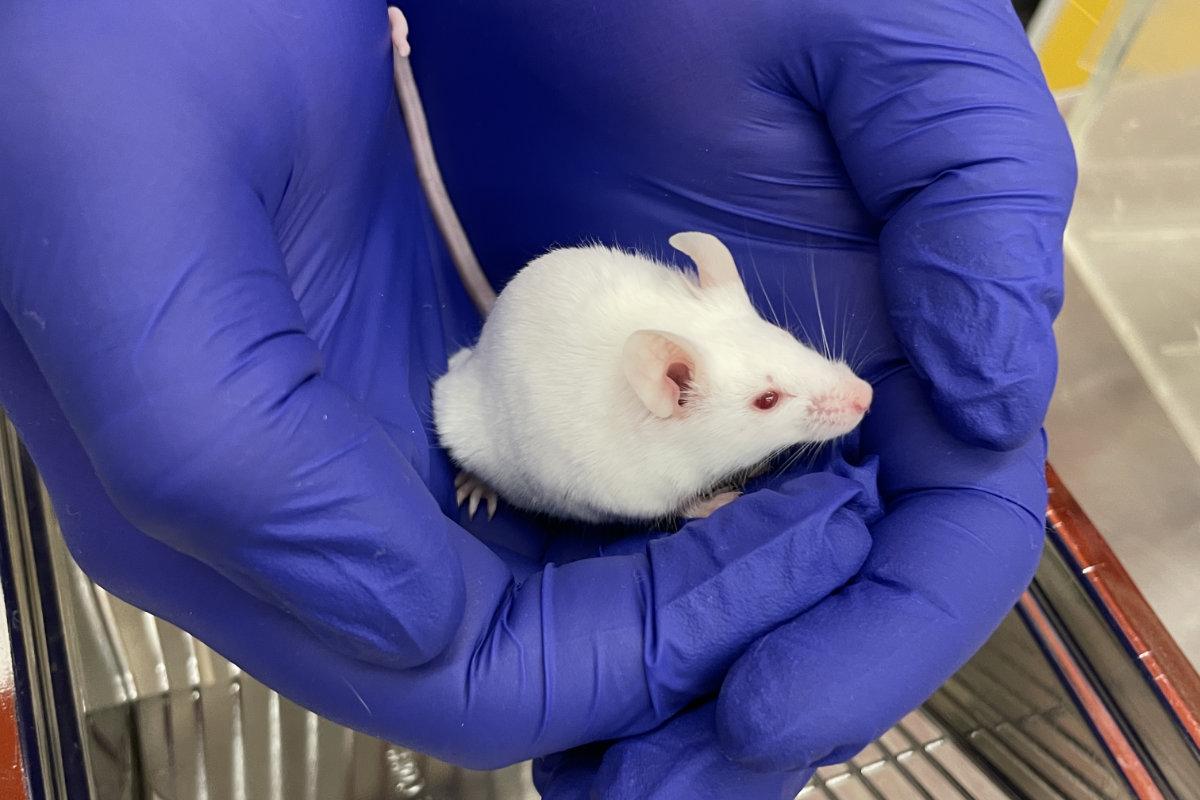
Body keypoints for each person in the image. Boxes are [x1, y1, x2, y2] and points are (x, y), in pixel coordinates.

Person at [0, 2, 1074, 797]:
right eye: (767, 403)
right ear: (670, 385)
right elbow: (624, 494)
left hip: (576, 301)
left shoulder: (704, 341)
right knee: (473, 444)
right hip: (501, 398)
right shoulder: (646, 450)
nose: (840, 398)